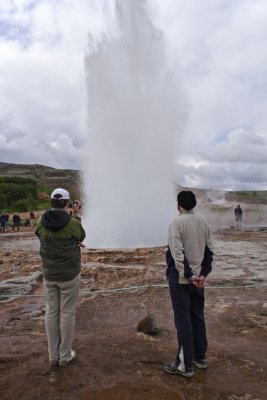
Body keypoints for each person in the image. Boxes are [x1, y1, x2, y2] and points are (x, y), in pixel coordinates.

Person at [164, 190, 214, 378]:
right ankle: (200, 358)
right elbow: (210, 250)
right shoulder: (203, 221)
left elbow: (177, 253)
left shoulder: (176, 223)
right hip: (198, 280)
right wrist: (203, 274)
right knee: (197, 315)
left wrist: (190, 275)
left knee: (183, 319)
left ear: (179, 205)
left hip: (181, 280)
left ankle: (184, 366)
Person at [35, 188, 86, 367]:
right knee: (67, 313)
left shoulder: (40, 221)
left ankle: (52, 355)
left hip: (49, 274)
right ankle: (64, 356)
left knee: (51, 312)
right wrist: (76, 215)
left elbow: (40, 233)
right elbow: (81, 235)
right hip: (69, 275)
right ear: (67, 203)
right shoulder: (73, 223)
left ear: (51, 202)